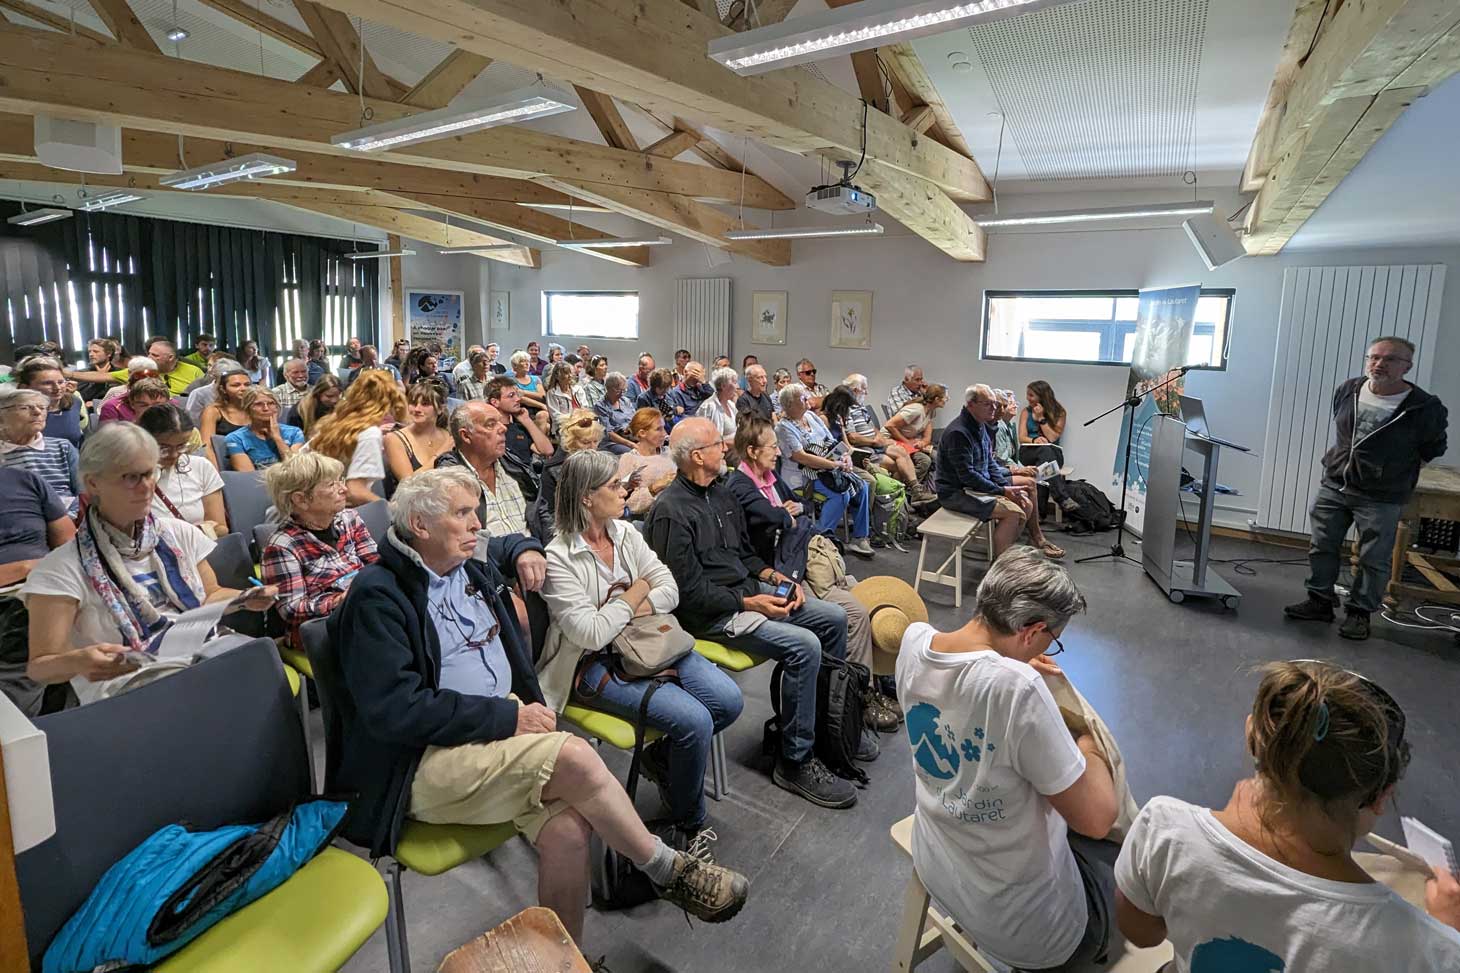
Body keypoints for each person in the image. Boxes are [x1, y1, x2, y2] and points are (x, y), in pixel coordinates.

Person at [332, 467, 750, 941]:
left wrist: (525, 547)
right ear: (421, 526)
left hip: (491, 727)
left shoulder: (467, 568)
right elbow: (396, 713)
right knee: (574, 754)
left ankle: (565, 960)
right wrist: (511, 715)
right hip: (422, 760)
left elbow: (506, 543)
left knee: (570, 831)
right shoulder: (377, 596)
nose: (476, 525)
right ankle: (666, 869)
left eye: (476, 512)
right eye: (462, 514)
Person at [1115, 659, 1460, 970]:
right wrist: (1447, 930)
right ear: (1381, 797)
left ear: (1252, 734)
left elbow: (1142, 934)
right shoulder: (1428, 952)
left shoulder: (1163, 828)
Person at [899, 547, 1119, 973]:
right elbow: (1097, 819)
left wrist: (1008, 657)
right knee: (1122, 863)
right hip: (1028, 931)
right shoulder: (1017, 689)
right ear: (1030, 631)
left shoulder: (914, 642)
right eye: (1051, 638)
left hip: (939, 865)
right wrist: (1088, 743)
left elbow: (968, 674)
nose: (1049, 647)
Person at [646, 417, 871, 809]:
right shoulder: (671, 512)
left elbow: (744, 555)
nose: (726, 449)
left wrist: (778, 578)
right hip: (711, 616)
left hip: (747, 593)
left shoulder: (721, 494)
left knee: (832, 618)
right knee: (803, 646)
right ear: (698, 456)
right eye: (719, 444)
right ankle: (795, 758)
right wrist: (750, 603)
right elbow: (685, 594)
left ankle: (825, 727)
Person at [540, 450, 744, 845]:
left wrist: (625, 605)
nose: (625, 492)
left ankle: (665, 758)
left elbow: (670, 588)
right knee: (694, 722)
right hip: (593, 663)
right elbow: (590, 635)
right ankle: (689, 824)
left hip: (651, 637)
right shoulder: (559, 556)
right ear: (586, 497)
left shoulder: (626, 533)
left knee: (728, 701)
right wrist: (637, 591)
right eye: (615, 485)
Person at [21, 424, 277, 706]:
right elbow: (41, 666)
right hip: (128, 685)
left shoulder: (177, 533)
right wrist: (80, 661)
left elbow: (210, 595)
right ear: (93, 483)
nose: (147, 487)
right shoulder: (62, 568)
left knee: (260, 671)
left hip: (200, 654)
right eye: (131, 477)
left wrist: (243, 599)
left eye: (150, 472)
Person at [727, 416, 900, 731]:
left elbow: (801, 507)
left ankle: (868, 687)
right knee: (855, 613)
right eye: (772, 446)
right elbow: (778, 517)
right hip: (782, 572)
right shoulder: (740, 484)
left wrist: (789, 515)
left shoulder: (769, 478)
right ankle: (855, 702)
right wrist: (787, 516)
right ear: (752, 451)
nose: (779, 452)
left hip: (802, 560)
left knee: (860, 595)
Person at [1284, 335, 1449, 640]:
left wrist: (1393, 473)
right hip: (1335, 483)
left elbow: (1433, 448)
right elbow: (1342, 427)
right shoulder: (1349, 389)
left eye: (1389, 359)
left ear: (1407, 366)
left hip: (1382, 495)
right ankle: (1319, 601)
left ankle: (1360, 613)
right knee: (1322, 546)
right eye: (1374, 357)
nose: (1379, 364)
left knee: (1374, 557)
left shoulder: (1424, 407)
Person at [260, 452, 379, 650]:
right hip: (321, 628)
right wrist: (340, 600)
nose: (344, 489)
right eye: (332, 485)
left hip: (364, 606)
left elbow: (375, 561)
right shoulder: (281, 546)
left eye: (340, 480)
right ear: (301, 499)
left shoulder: (350, 519)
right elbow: (291, 609)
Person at [0, 466, 77, 717]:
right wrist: (23, 569)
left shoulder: (26, 479)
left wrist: (49, 573)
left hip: (47, 584)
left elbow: (69, 542)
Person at [776, 383, 874, 558]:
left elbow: (833, 442)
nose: (808, 399)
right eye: (802, 397)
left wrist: (846, 457)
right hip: (804, 476)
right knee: (840, 494)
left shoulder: (812, 417)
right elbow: (802, 457)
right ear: (790, 404)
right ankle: (819, 538)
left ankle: (860, 538)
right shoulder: (783, 428)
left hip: (828, 470)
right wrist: (835, 465)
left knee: (863, 486)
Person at [935, 385, 1033, 559]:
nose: (994, 409)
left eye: (995, 404)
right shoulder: (959, 432)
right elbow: (968, 476)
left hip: (973, 488)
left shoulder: (980, 426)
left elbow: (990, 464)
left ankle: (1005, 552)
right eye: (988, 404)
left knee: (1026, 503)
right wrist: (1002, 491)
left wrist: (1003, 487)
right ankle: (999, 568)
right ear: (971, 404)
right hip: (956, 493)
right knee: (1014, 512)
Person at [309, 369, 406, 507]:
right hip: (325, 507)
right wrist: (389, 508)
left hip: (308, 503)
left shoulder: (333, 422)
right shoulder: (369, 433)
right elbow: (355, 492)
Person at [435, 401, 528, 538]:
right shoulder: (450, 483)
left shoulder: (514, 465)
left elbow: (540, 513)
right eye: (491, 424)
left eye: (500, 422)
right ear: (466, 436)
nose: (503, 428)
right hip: (490, 558)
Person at [833, 378, 931, 501]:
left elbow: (872, 427)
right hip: (865, 447)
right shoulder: (847, 409)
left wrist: (880, 436)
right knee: (898, 466)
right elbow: (852, 437)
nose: (866, 392)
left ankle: (915, 491)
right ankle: (896, 499)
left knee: (901, 451)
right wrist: (874, 442)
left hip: (875, 443)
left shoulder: (860, 406)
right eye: (864, 389)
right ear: (854, 390)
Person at [138, 404, 226, 538]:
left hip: (198, 549)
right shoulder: (131, 476)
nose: (174, 455)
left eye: (181, 446)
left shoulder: (201, 467)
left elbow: (221, 529)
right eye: (163, 448)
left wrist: (186, 534)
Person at [0, 386, 80, 514]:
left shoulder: (62, 447)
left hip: (70, 520)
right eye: (25, 407)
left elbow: (84, 492)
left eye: (42, 408)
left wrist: (66, 521)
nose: (38, 412)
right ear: (1, 417)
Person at [529, 409, 603, 543]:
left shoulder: (602, 462)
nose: (592, 448)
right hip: (569, 530)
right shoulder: (553, 469)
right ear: (571, 442)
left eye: (595, 441)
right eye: (586, 443)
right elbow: (549, 513)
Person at [484, 376, 556, 501]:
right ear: (495, 402)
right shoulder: (489, 431)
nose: (518, 399)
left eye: (517, 395)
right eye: (511, 396)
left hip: (527, 486)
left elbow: (547, 450)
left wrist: (527, 421)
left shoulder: (519, 428)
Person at [69, 336, 204, 397]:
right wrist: (70, 374)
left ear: (170, 358)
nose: (149, 358)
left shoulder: (194, 371)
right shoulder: (141, 371)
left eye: (155, 355)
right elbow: (103, 376)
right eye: (149, 354)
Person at [384, 381, 452, 497]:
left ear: (440, 409)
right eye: (413, 403)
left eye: (425, 404)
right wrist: (441, 453)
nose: (417, 409)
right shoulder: (394, 439)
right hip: (413, 504)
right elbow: (409, 484)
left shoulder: (449, 435)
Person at [224, 386, 304, 472]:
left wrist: (277, 438)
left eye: (271, 403)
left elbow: (296, 468)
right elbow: (247, 476)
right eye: (258, 404)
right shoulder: (235, 438)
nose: (266, 408)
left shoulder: (295, 432)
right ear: (247, 409)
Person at [15, 356, 88, 450]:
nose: (57, 388)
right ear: (25, 387)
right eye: (47, 383)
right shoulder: (14, 414)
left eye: (61, 382)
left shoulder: (74, 402)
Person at [617, 408, 677, 517]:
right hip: (651, 517)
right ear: (642, 433)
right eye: (659, 429)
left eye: (663, 428)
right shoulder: (630, 459)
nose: (665, 433)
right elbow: (629, 504)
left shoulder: (669, 452)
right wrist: (655, 487)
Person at [199, 365, 253, 468]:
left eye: (247, 384)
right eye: (236, 385)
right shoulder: (214, 411)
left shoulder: (257, 408)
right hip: (225, 462)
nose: (243, 388)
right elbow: (207, 446)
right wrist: (217, 473)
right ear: (223, 389)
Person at [884, 383, 946, 461]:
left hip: (905, 441)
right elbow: (889, 425)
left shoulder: (931, 411)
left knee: (937, 456)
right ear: (936, 399)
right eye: (945, 397)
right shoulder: (916, 410)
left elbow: (927, 437)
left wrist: (922, 443)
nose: (947, 399)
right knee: (925, 461)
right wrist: (908, 442)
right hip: (889, 440)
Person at [697, 366, 739, 457]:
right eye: (735, 383)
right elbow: (708, 441)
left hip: (734, 453)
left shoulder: (731, 405)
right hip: (718, 456)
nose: (737, 387)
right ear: (723, 386)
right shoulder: (709, 407)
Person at [97, 375, 170, 426]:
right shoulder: (123, 434)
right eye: (143, 405)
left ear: (168, 403)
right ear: (132, 404)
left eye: (157, 405)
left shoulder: (176, 423)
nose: (150, 410)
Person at [594, 371, 636, 454]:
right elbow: (609, 434)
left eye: (624, 390)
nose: (621, 394)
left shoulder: (625, 401)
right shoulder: (600, 405)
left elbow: (635, 420)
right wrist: (632, 444)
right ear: (609, 388)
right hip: (613, 441)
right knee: (631, 452)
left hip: (630, 435)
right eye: (619, 390)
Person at [1021, 380, 1068, 447]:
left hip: (1050, 451)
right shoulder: (1026, 412)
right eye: (1027, 395)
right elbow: (1021, 438)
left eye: (1031, 395)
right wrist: (1034, 440)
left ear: (1042, 397)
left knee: (1046, 454)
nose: (1027, 398)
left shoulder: (1059, 412)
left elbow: (1052, 438)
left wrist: (1041, 418)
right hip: (1030, 450)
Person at [74, 339, 120, 405]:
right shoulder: (81, 373)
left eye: (96, 351)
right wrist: (98, 379)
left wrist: (98, 403)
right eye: (89, 351)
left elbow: (120, 396)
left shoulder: (119, 372)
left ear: (109, 353)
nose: (91, 354)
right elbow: (82, 397)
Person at [543, 360, 582, 428]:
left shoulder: (578, 389)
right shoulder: (552, 393)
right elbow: (556, 417)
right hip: (563, 427)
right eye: (566, 373)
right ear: (557, 376)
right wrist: (573, 420)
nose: (570, 376)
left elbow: (585, 407)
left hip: (581, 423)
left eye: (570, 373)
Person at [509, 350, 548, 415]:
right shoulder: (511, 381)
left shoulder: (535, 379)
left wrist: (523, 392)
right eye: (523, 361)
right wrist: (541, 405)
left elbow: (542, 396)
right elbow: (520, 399)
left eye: (528, 361)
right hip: (523, 411)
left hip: (540, 410)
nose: (527, 364)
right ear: (515, 366)